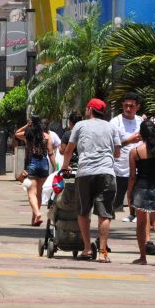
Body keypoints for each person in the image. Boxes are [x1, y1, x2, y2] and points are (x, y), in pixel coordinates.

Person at [61, 99, 121, 263]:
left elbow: (68, 150)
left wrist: (65, 167)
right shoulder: (111, 127)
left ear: (89, 109)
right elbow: (117, 153)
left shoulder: (80, 126)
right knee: (104, 213)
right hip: (107, 174)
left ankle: (87, 248)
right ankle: (102, 252)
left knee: (83, 211)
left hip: (85, 173)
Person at [128, 120, 155, 267]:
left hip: (141, 188)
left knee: (141, 225)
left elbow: (132, 177)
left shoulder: (135, 152)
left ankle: (142, 257)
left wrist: (129, 193)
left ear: (141, 134)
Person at [15, 116, 56, 226]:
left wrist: (27, 125)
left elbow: (17, 133)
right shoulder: (47, 136)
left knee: (31, 193)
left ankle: (37, 213)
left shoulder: (28, 135)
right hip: (44, 165)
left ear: (32, 124)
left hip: (31, 164)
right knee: (39, 193)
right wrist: (56, 168)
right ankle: (34, 219)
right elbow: (51, 153)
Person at [110, 93, 143, 223]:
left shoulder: (141, 121)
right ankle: (108, 215)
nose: (128, 109)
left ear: (138, 107)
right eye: (126, 106)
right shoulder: (114, 122)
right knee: (117, 197)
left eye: (131, 106)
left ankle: (133, 214)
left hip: (138, 164)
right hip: (119, 166)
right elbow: (111, 145)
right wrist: (128, 141)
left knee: (136, 191)